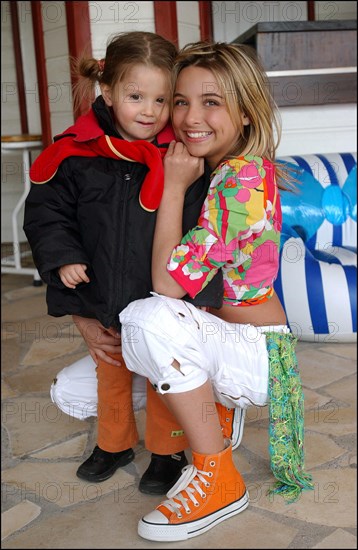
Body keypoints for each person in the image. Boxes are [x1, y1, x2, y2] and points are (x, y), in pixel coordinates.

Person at [23, 32, 244, 494]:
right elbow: (48, 214)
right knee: (111, 371)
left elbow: (195, 232)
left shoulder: (180, 157)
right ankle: (114, 443)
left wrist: (198, 299)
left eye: (162, 99)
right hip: (102, 290)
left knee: (162, 372)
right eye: (136, 96)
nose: (150, 110)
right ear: (107, 92)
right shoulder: (76, 155)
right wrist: (63, 259)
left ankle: (166, 453)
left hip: (156, 297)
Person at [119, 41, 314, 541]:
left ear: (246, 112)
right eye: (180, 101)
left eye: (211, 101)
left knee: (148, 320)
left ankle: (218, 475)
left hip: (255, 354)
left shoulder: (236, 182)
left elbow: (167, 284)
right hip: (253, 343)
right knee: (79, 388)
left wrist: (174, 185)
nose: (188, 117)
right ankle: (215, 415)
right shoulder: (240, 165)